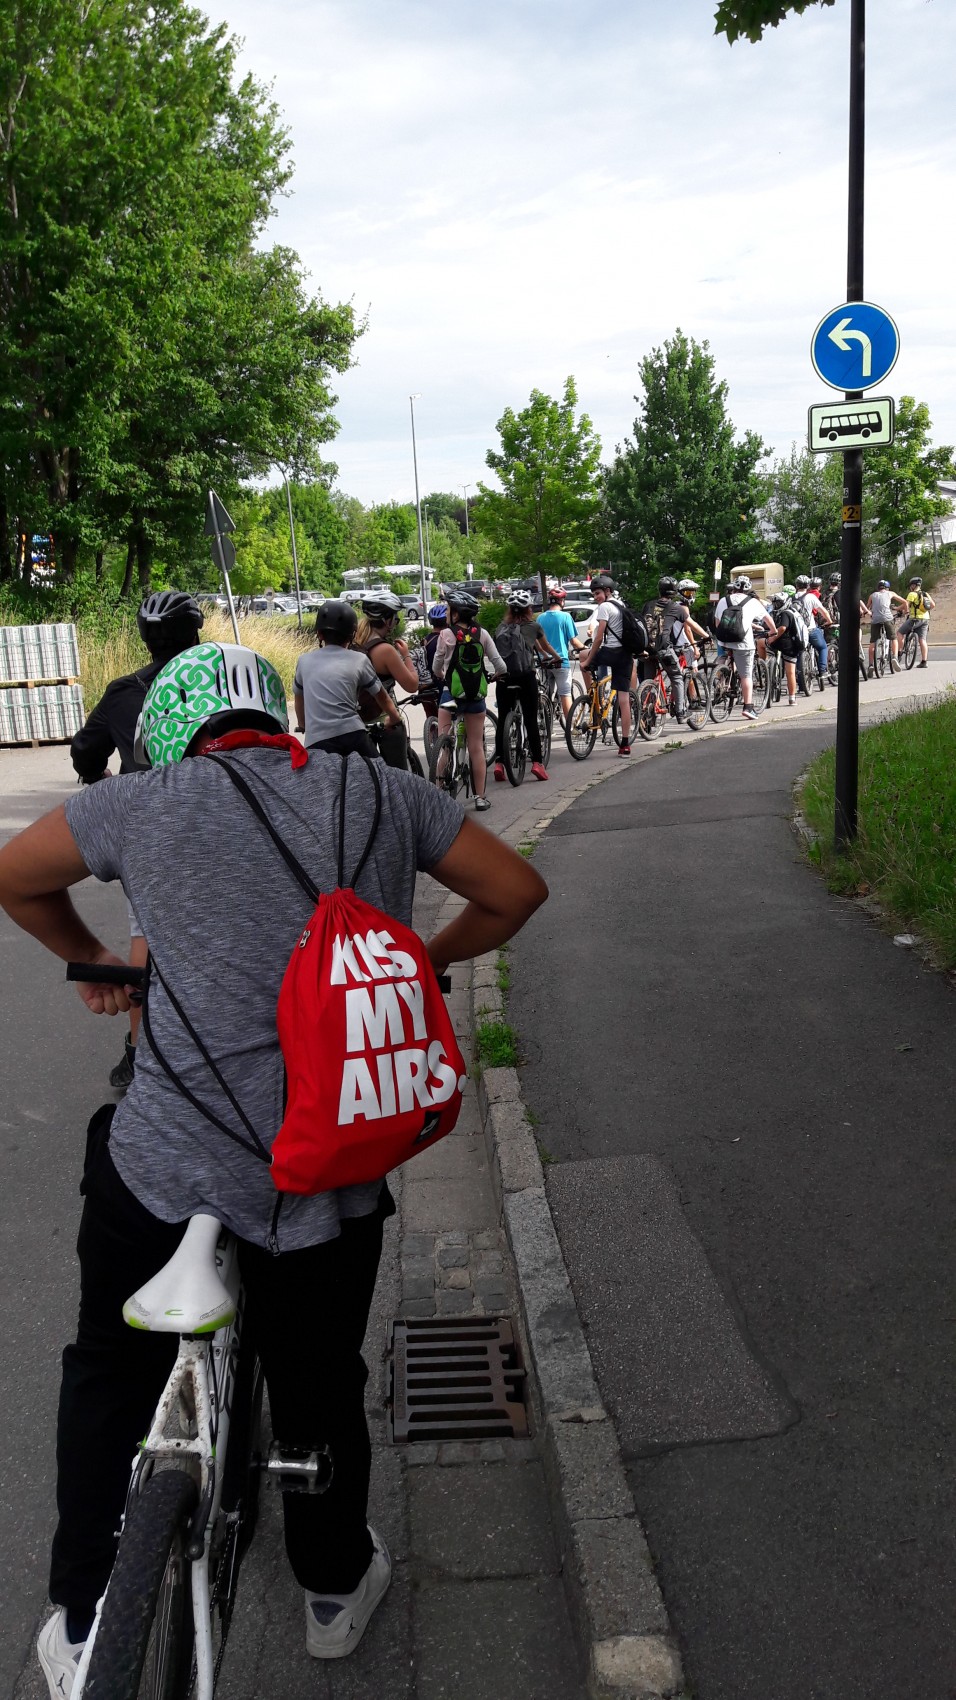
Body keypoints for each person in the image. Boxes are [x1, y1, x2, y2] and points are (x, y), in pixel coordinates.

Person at [0, 639, 547, 1699]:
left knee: (107, 1366)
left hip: (167, 1164)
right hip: (325, 1167)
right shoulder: (382, 789)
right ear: (275, 714)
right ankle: (332, 1588)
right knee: (320, 1378)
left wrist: (99, 963)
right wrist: (418, 962)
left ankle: (83, 1615)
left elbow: (17, 877)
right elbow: (515, 889)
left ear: (166, 735)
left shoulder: (137, 803)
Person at [70, 589, 205, 1089]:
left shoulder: (124, 691)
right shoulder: (216, 683)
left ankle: (137, 1052)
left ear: (146, 638)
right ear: (195, 633)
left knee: (145, 935)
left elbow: (85, 752)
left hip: (147, 831)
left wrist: (101, 780)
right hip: (218, 823)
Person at [430, 588, 506, 811]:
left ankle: (438, 794)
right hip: (475, 698)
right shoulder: (482, 634)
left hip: (450, 696)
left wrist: (442, 675)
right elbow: (501, 666)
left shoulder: (445, 635)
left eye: (448, 609)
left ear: (455, 613)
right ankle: (480, 797)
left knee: (444, 745)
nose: (447, 613)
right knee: (476, 747)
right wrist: (493, 676)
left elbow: (436, 666)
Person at [293, 599, 401, 755]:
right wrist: (394, 718)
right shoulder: (359, 660)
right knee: (377, 769)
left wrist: (303, 724)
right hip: (353, 736)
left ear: (319, 634)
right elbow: (382, 697)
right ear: (352, 635)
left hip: (317, 741)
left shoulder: (304, 661)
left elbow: (299, 698)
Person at [491, 590, 561, 782]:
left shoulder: (501, 628)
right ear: (529, 609)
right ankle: (537, 763)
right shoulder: (534, 626)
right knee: (530, 719)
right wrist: (556, 658)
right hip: (525, 676)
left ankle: (499, 763)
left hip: (504, 678)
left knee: (503, 719)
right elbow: (544, 646)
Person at [355, 590, 420, 769]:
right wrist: (406, 655)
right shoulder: (385, 650)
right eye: (395, 617)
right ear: (387, 620)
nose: (396, 621)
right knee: (397, 775)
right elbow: (412, 685)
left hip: (357, 721)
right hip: (384, 720)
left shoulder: (355, 643)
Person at [577, 573, 635, 754]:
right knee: (624, 699)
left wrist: (588, 660)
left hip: (610, 652)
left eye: (598, 593)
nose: (596, 597)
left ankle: (593, 698)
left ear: (607, 591)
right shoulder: (621, 605)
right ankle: (625, 744)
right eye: (593, 594)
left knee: (582, 656)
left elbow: (599, 637)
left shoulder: (604, 607)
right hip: (625, 655)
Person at [713, 575, 776, 721]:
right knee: (746, 675)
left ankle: (722, 681)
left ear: (734, 587)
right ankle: (748, 707)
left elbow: (718, 623)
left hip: (724, 641)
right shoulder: (753, 602)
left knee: (729, 659)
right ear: (748, 589)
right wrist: (773, 632)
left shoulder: (723, 600)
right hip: (743, 643)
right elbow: (768, 619)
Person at [640, 576, 691, 720]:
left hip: (645, 650)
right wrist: (707, 636)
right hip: (663, 650)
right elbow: (691, 625)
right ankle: (680, 712)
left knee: (648, 680)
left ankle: (646, 715)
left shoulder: (648, 605)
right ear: (674, 591)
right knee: (677, 677)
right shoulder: (676, 607)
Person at [537, 586, 585, 721]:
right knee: (565, 694)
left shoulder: (540, 618)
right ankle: (570, 726)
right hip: (560, 662)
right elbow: (574, 642)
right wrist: (585, 648)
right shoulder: (565, 617)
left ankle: (545, 723)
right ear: (562, 601)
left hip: (544, 661)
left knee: (546, 692)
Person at [792, 575, 834, 691]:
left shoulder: (791, 598)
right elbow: (823, 611)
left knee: (799, 653)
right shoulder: (810, 597)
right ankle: (822, 670)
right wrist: (829, 621)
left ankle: (801, 684)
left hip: (797, 632)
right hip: (810, 629)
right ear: (808, 586)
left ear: (796, 585)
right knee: (822, 647)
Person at [767, 591, 803, 704]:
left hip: (788, 645)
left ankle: (792, 696)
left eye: (778, 603)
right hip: (787, 645)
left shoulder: (785, 614)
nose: (776, 605)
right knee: (790, 671)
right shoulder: (785, 612)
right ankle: (792, 698)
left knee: (790, 672)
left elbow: (782, 628)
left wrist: (772, 637)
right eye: (775, 603)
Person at [865, 578, 906, 676]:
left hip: (876, 619)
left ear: (878, 588)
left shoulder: (872, 595)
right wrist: (904, 611)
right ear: (887, 588)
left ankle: (871, 665)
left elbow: (867, 608)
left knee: (873, 642)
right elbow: (905, 602)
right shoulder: (890, 593)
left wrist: (870, 613)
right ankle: (894, 658)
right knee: (893, 638)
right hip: (887, 618)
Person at [901, 575, 935, 667]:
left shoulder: (912, 594)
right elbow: (933, 605)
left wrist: (897, 609)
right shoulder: (925, 594)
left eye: (910, 585)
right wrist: (923, 610)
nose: (910, 587)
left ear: (913, 585)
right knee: (922, 640)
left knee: (899, 633)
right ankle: (924, 662)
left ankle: (899, 652)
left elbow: (905, 605)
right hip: (925, 619)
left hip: (915, 619)